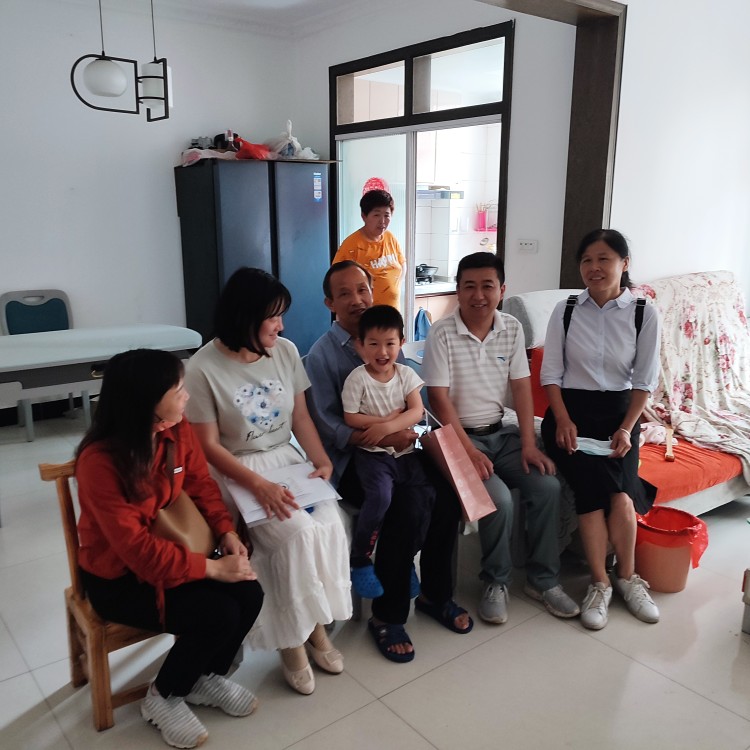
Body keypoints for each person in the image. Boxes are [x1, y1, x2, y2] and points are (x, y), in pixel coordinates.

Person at [75, 348, 264, 750]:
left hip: (173, 551)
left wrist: (225, 532)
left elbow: (200, 485)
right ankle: (162, 697)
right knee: (218, 613)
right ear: (146, 402)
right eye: (178, 390)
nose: (186, 396)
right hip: (120, 579)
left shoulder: (175, 429)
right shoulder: (99, 463)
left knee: (250, 593)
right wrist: (213, 569)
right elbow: (136, 550)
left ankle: (203, 678)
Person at [183, 267, 351, 697]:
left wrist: (320, 460)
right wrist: (258, 486)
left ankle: (314, 625)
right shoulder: (202, 368)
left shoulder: (285, 351)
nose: (281, 326)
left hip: (286, 461)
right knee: (294, 536)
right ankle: (290, 639)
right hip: (236, 469)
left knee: (330, 525)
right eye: (273, 317)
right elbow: (207, 447)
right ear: (244, 318)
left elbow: (300, 417)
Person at [305, 260, 472, 665]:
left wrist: (407, 434)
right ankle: (388, 615)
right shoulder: (321, 356)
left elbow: (418, 408)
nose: (356, 299)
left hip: (402, 449)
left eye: (362, 289)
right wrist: (387, 435)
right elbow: (330, 426)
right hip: (353, 461)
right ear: (330, 303)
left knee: (446, 496)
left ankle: (435, 594)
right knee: (406, 506)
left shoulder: (390, 340)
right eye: (344, 293)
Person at [422, 251, 579, 625]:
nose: (478, 295)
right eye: (469, 286)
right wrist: (467, 452)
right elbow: (438, 400)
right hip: (457, 439)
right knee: (500, 500)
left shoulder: (511, 327)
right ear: (457, 290)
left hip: (500, 433)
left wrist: (528, 443)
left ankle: (543, 580)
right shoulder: (442, 332)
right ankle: (496, 581)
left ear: (502, 290)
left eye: (487, 286)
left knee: (548, 487)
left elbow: (522, 388)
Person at [540, 229, 661, 630]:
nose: (594, 267)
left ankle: (627, 578)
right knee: (593, 494)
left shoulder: (643, 312)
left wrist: (627, 429)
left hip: (619, 418)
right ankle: (599, 583)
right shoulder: (566, 310)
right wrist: (562, 419)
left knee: (622, 495)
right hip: (570, 416)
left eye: (604, 259)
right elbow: (551, 374)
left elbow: (643, 381)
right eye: (587, 260)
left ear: (624, 264)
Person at [341, 304, 434, 598]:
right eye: (374, 344)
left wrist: (388, 426)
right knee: (380, 497)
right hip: (372, 455)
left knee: (425, 496)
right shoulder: (357, 378)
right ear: (360, 346)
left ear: (401, 343)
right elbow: (350, 418)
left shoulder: (405, 374)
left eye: (390, 343)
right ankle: (360, 557)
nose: (382, 352)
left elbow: (417, 411)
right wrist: (384, 426)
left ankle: (405, 559)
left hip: (406, 453)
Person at [332, 189, 406, 309]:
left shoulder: (390, 238)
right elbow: (337, 282)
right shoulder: (351, 245)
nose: (382, 221)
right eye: (376, 215)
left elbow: (402, 264)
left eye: (386, 215)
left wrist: (393, 290)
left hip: (392, 313)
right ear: (364, 216)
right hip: (365, 315)